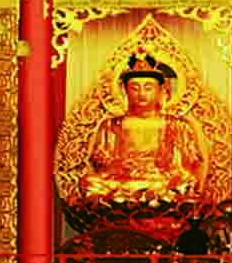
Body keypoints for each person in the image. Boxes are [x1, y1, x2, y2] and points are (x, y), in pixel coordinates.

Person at [80, 54, 207, 203]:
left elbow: (187, 168)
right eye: (135, 88)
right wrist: (126, 169)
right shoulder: (110, 126)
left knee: (184, 182)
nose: (141, 94)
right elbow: (101, 165)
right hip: (121, 182)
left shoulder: (177, 126)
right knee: (89, 182)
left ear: (160, 91)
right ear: (125, 91)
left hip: (160, 183)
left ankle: (136, 198)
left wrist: (157, 173)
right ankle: (139, 198)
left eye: (148, 88)